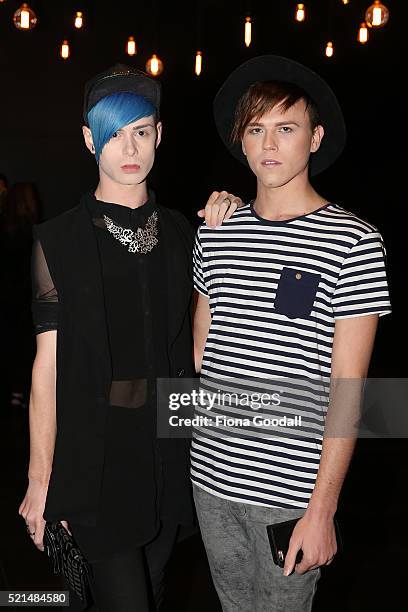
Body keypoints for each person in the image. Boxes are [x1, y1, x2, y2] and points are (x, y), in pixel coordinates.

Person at [17, 64, 241, 612]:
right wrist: (38, 478)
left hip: (170, 456)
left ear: (159, 136)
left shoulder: (186, 234)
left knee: (157, 592)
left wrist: (230, 224)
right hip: (94, 464)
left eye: (141, 130)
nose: (129, 147)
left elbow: (198, 345)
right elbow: (47, 367)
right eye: (113, 133)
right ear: (90, 139)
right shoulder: (59, 242)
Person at [192, 55, 391, 611]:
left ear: (315, 137)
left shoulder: (353, 241)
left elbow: (351, 390)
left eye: (286, 127)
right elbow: (204, 354)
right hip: (210, 480)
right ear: (242, 141)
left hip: (291, 495)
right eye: (256, 129)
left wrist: (323, 508)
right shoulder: (216, 232)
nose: (269, 143)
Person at [0, 182, 39, 409]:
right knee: (24, 350)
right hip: (23, 303)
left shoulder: (9, 230)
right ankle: (20, 395)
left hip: (10, 303)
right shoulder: (33, 234)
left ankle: (15, 395)